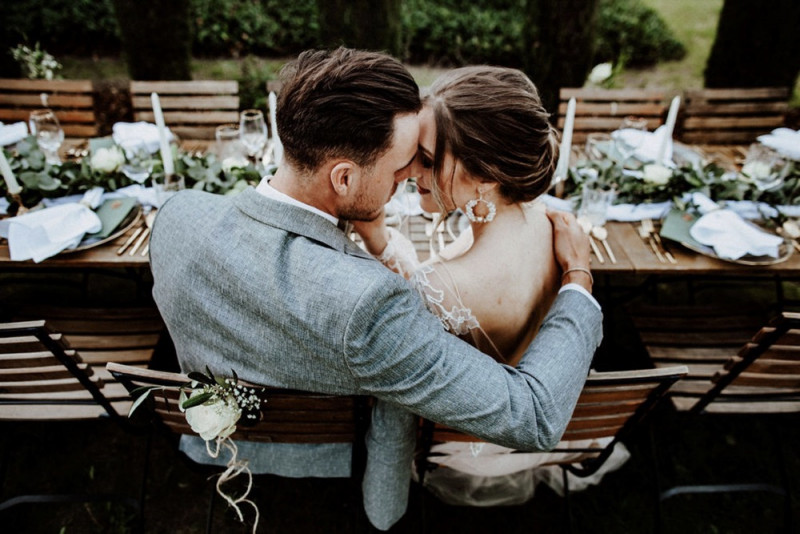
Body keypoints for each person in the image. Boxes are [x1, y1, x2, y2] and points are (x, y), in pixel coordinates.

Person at [149, 47, 602, 531]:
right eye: (401, 165)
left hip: (214, 446)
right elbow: (533, 415)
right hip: (331, 476)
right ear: (343, 177)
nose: (409, 178)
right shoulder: (369, 307)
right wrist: (578, 278)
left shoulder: (177, 215)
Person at [354, 66, 624, 506]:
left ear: (486, 176)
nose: (408, 170)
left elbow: (421, 303)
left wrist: (375, 244)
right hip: (536, 392)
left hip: (467, 436)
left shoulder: (442, 284)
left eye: (427, 159)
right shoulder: (544, 218)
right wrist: (380, 237)